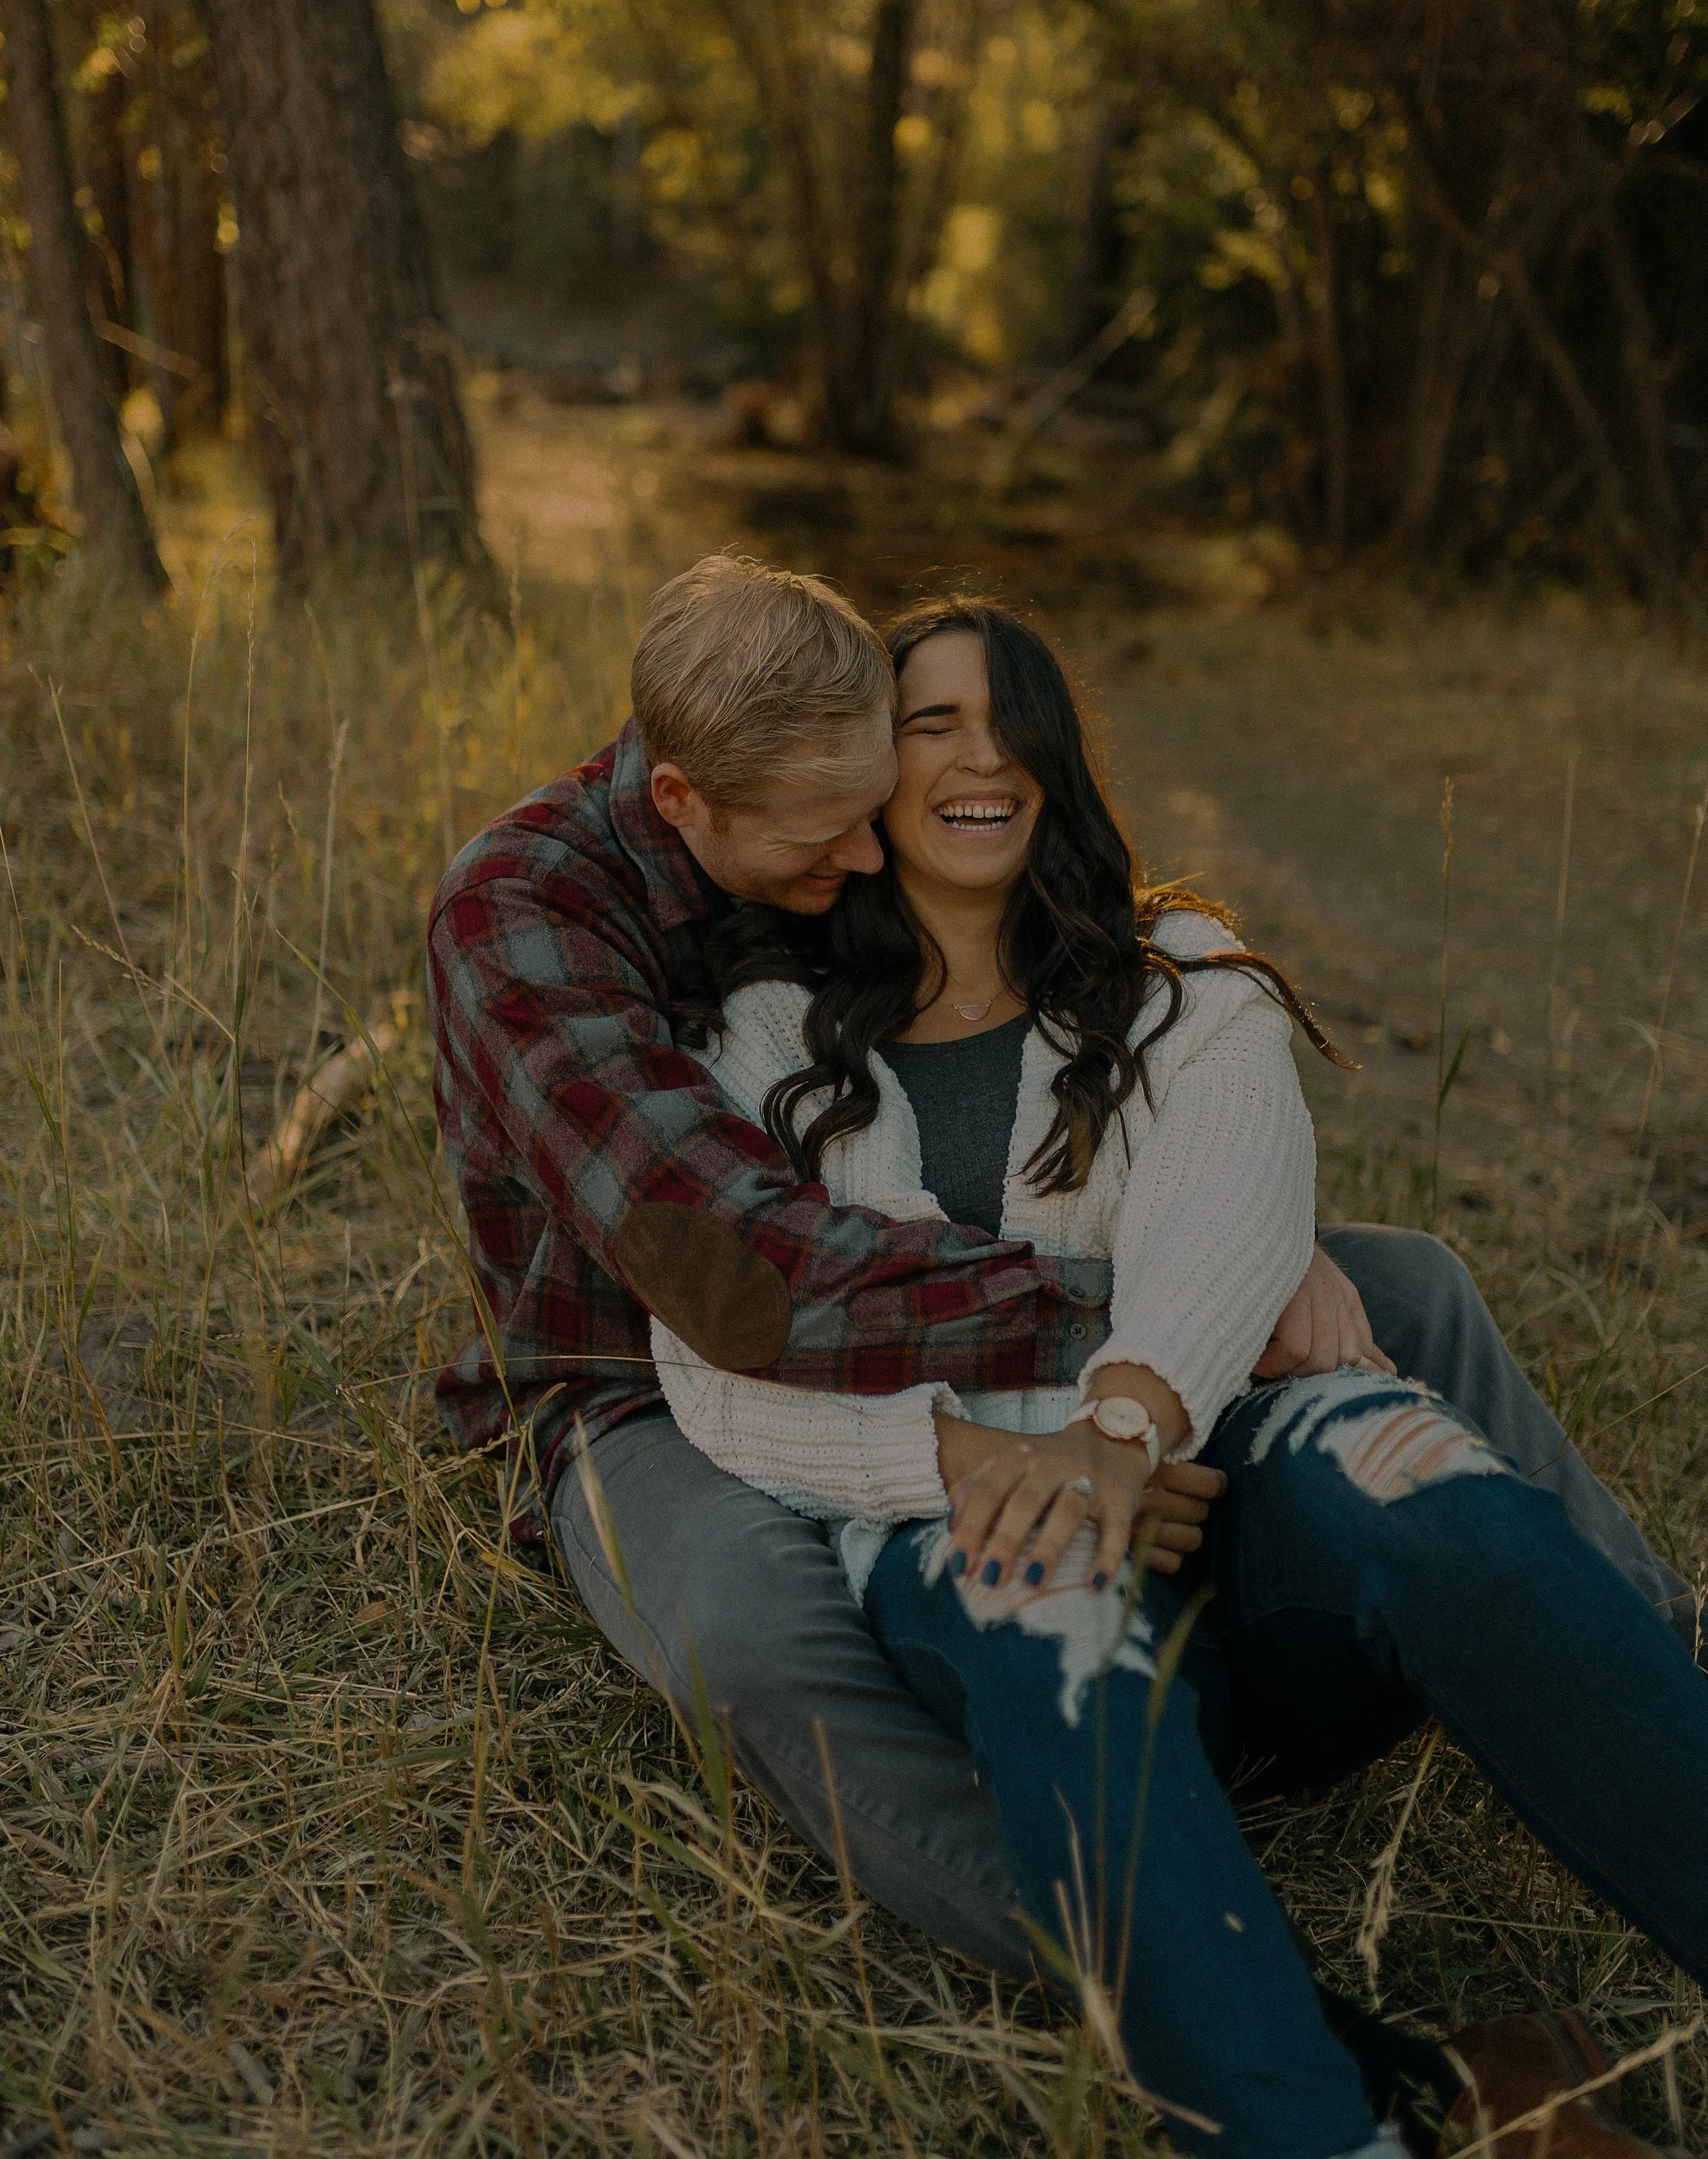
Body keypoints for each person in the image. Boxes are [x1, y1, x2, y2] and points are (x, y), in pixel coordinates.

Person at [426, 557, 1701, 2144]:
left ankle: (1635, 1660)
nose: (870, 826)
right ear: (689, 799)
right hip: (660, 1372)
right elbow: (734, 1289)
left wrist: (1205, 1293)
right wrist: (1065, 1393)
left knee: (1402, 1307)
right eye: (886, 770)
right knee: (761, 1639)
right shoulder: (570, 927)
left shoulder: (1171, 981)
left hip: (1023, 1342)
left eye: (982, 730)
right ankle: (1294, 2015)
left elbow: (1210, 1162)